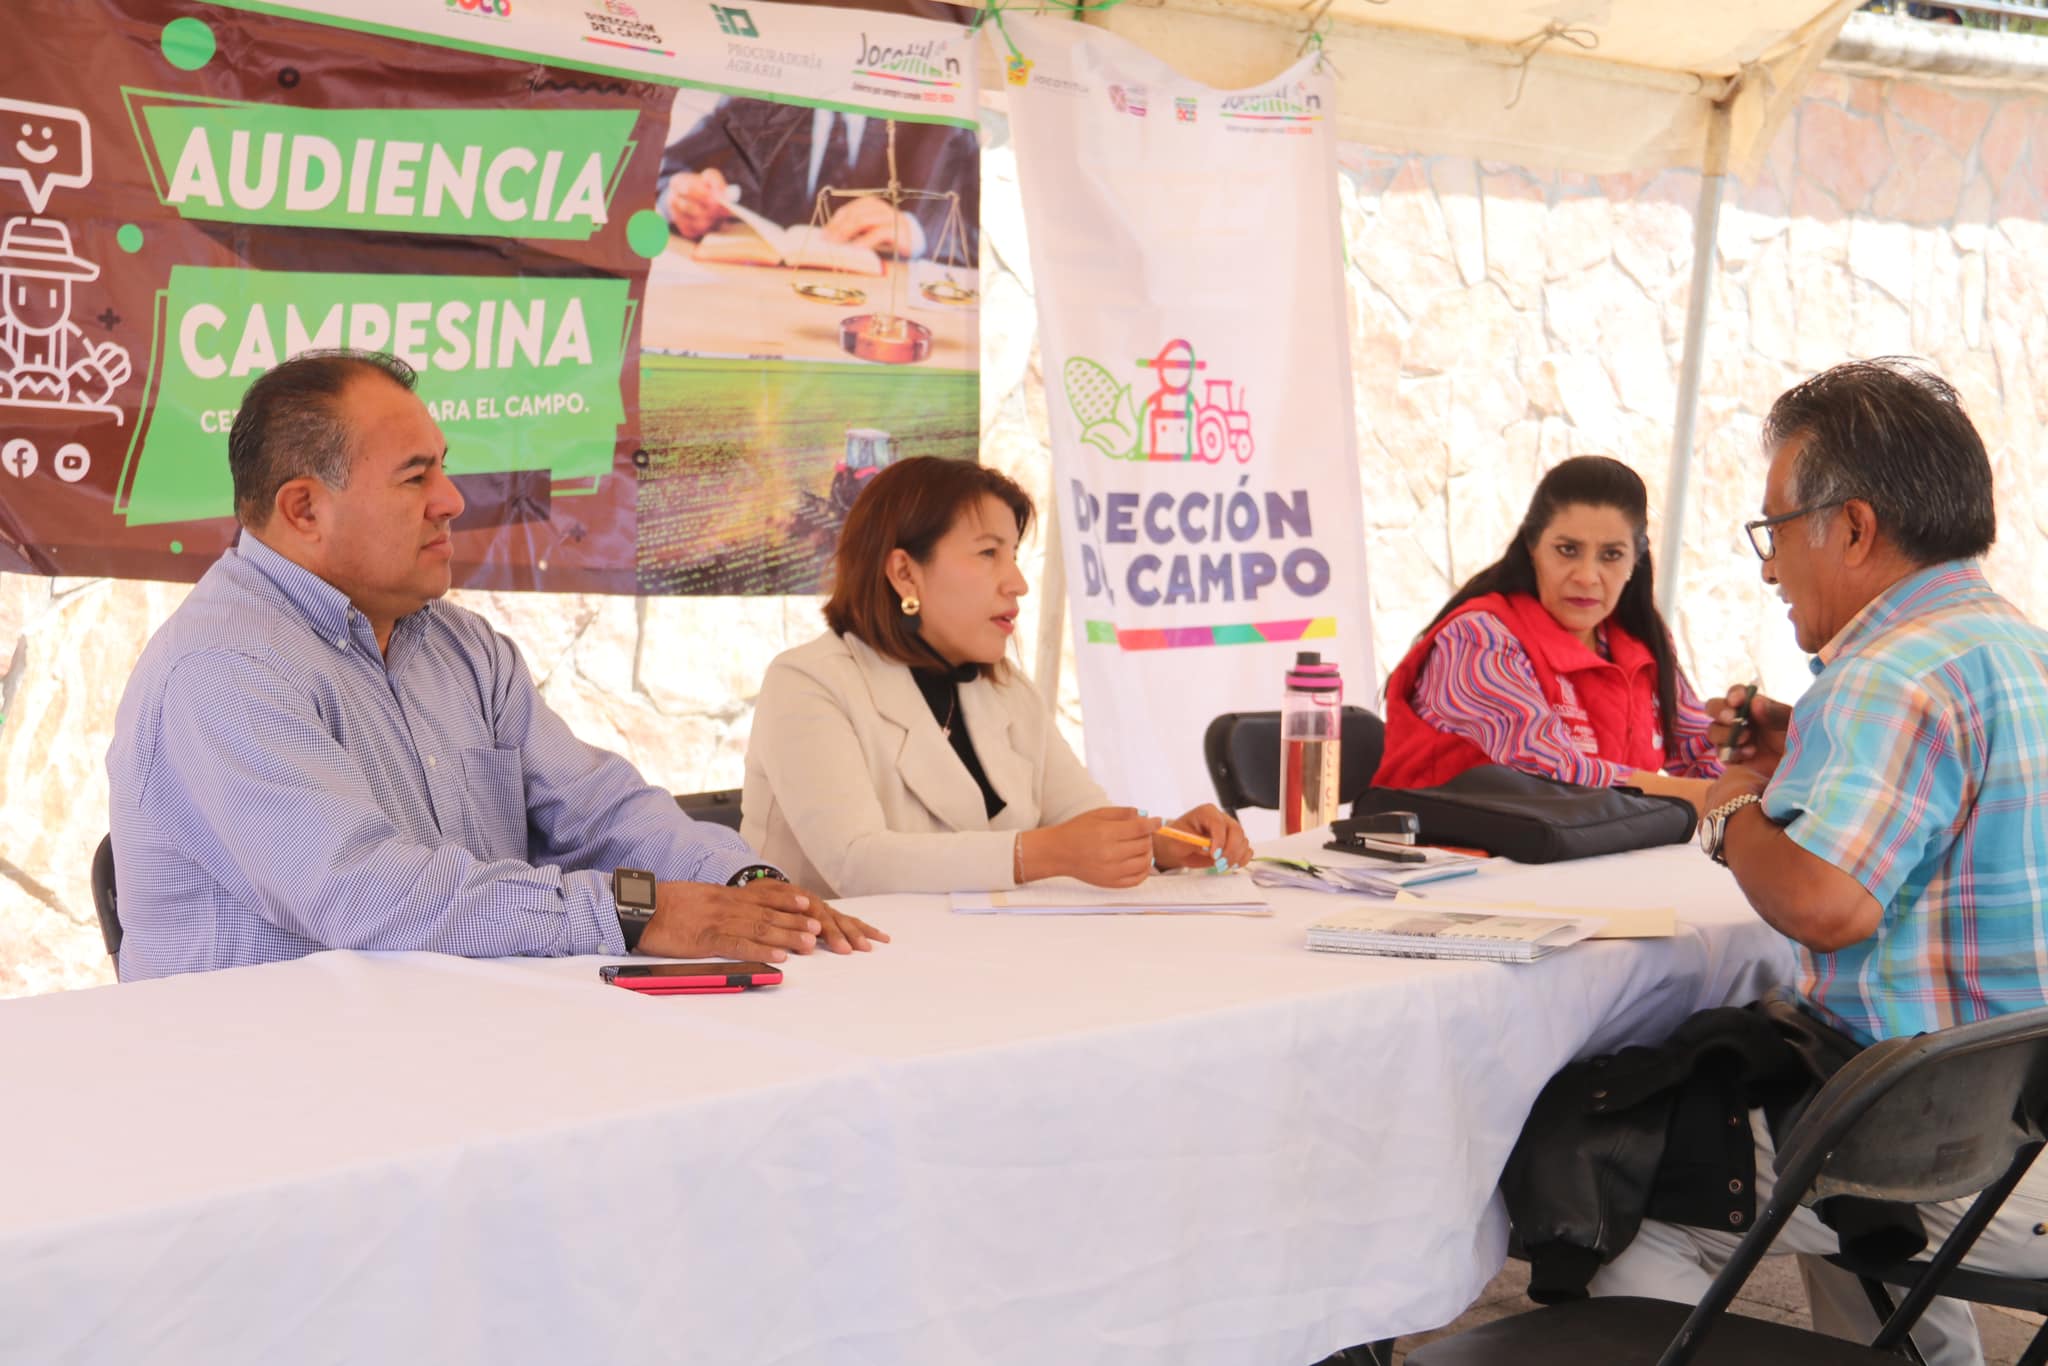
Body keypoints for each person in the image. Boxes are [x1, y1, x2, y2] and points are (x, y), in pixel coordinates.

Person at [106, 350, 884, 982]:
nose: (450, 500)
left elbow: (600, 810)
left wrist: (745, 884)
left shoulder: (462, 647)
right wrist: (641, 912)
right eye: (416, 476)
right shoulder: (222, 669)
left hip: (461, 1054)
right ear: (304, 509)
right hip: (273, 1098)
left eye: (442, 468)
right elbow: (363, 891)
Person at [1596, 359, 2048, 1366]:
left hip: (1947, 1157)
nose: (1765, 566)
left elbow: (1824, 902)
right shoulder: (2014, 649)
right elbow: (1951, 787)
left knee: (1625, 1182)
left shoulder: (1884, 674)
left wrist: (1730, 811)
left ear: (1849, 527)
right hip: (2021, 1132)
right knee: (1808, 1138)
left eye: (1773, 529)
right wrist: (1799, 740)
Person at [742, 456, 1251, 898]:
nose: (1019, 583)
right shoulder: (807, 683)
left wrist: (1158, 846)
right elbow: (857, 863)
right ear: (904, 573)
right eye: (988, 554)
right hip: (834, 985)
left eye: (1013, 556)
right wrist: (1036, 854)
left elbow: (1081, 818)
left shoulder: (1003, 687)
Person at [1373, 455, 1721, 811]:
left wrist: (1751, 771)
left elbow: (1703, 752)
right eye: (1567, 550)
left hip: (1592, 853)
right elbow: (1552, 773)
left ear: (1636, 561)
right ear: (1532, 547)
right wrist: (1721, 799)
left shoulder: (1641, 641)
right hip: (1447, 857)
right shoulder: (1478, 638)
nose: (1587, 576)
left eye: (1612, 555)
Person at [656, 97, 979, 264]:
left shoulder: (943, 117)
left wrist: (917, 232)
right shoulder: (757, 96)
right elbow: (663, 169)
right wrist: (679, 199)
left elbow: (989, 235)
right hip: (753, 298)